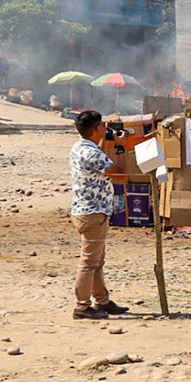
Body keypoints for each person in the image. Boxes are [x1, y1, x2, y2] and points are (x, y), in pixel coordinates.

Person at [68, 111, 129, 320]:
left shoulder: (81, 147)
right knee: (88, 262)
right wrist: (121, 147)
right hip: (93, 212)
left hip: (86, 210)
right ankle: (82, 307)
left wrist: (105, 140)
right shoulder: (92, 153)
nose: (105, 127)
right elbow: (121, 174)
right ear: (95, 128)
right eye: (102, 125)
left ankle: (101, 300)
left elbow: (99, 163)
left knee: (97, 260)